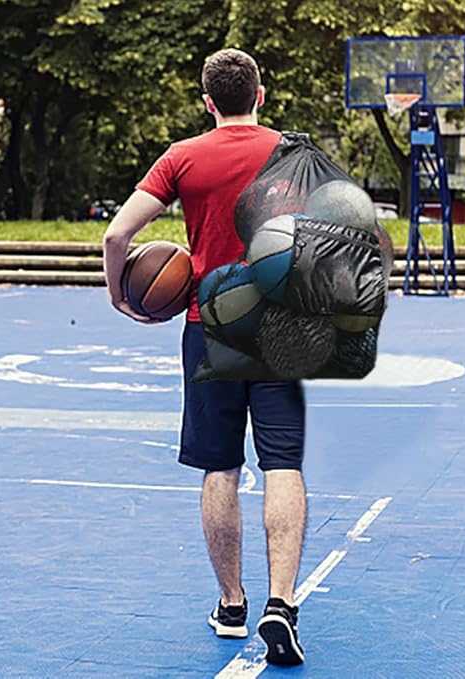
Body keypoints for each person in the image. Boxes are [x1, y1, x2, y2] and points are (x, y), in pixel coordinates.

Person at [102, 49, 307, 666]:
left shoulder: (183, 157)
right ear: (261, 95)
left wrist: (121, 295)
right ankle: (281, 603)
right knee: (282, 466)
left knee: (220, 467)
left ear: (208, 101)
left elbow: (116, 235)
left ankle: (232, 604)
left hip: (208, 324)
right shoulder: (292, 153)